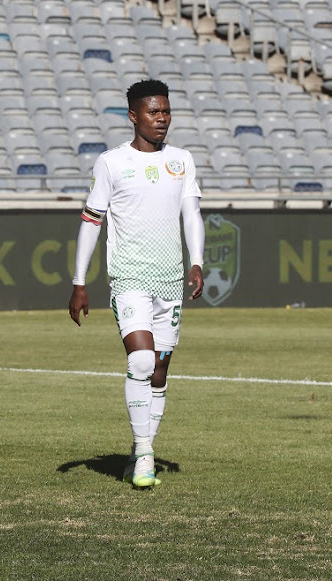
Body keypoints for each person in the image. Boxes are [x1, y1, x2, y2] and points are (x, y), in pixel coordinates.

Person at [68, 79, 204, 488]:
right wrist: (79, 281)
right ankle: (145, 454)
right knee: (142, 361)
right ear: (133, 116)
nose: (161, 119)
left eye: (165, 112)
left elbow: (191, 213)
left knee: (160, 371)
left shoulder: (181, 160)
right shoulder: (111, 163)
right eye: (153, 112)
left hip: (170, 278)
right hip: (129, 278)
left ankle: (137, 448)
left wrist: (196, 262)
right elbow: (92, 221)